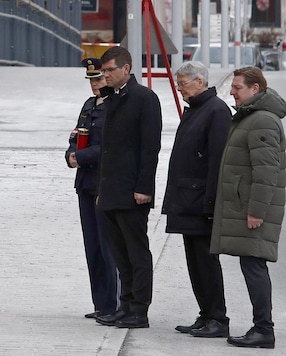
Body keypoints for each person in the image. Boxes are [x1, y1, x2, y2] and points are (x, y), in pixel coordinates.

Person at [211, 67, 286, 349]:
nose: (232, 91)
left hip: (253, 209)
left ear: (255, 89)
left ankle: (264, 329)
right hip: (246, 205)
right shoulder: (250, 117)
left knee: (255, 266)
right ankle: (261, 327)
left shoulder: (262, 121)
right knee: (251, 264)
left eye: (237, 87)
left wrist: (256, 210)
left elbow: (267, 172)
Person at [94, 46, 162, 329]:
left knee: (136, 252)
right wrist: (101, 190)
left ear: (126, 69)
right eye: (104, 71)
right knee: (120, 253)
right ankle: (126, 305)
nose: (105, 75)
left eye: (110, 70)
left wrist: (144, 187)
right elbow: (108, 150)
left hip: (133, 191)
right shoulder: (112, 99)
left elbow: (150, 147)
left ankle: (139, 309)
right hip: (110, 190)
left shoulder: (144, 98)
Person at [161, 61, 231, 338]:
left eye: (183, 84)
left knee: (206, 261)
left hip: (201, 202)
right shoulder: (197, 110)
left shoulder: (216, 111)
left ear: (200, 82)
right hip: (188, 200)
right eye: (178, 84)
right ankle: (205, 314)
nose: (179, 89)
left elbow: (217, 162)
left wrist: (212, 203)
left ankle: (218, 318)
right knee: (195, 261)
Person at [65, 58, 118, 320]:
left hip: (103, 183)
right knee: (93, 246)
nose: (96, 85)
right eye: (92, 81)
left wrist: (81, 157)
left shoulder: (114, 106)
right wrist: (70, 154)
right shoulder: (89, 105)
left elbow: (111, 146)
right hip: (85, 183)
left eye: (99, 79)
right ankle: (100, 303)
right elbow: (76, 136)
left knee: (108, 246)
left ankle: (113, 305)